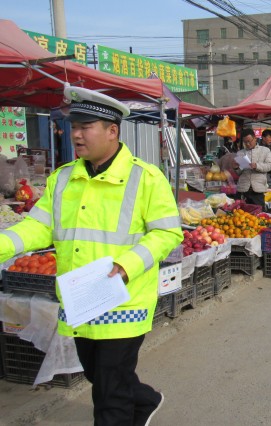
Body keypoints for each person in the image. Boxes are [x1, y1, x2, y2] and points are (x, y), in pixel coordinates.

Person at [0, 87, 183, 425]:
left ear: (112, 131)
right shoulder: (64, 177)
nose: (77, 135)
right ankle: (146, 400)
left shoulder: (146, 178)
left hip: (124, 300)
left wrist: (126, 266)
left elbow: (168, 233)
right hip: (81, 298)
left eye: (86, 127)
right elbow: (38, 228)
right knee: (100, 376)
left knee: (108, 397)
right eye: (74, 127)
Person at [233, 128, 271, 209]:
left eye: (249, 141)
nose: (247, 144)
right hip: (243, 189)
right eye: (245, 142)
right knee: (241, 216)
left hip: (258, 190)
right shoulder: (240, 153)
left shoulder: (265, 150)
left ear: (255, 138)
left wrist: (257, 166)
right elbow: (238, 173)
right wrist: (236, 168)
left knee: (259, 214)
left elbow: (269, 166)